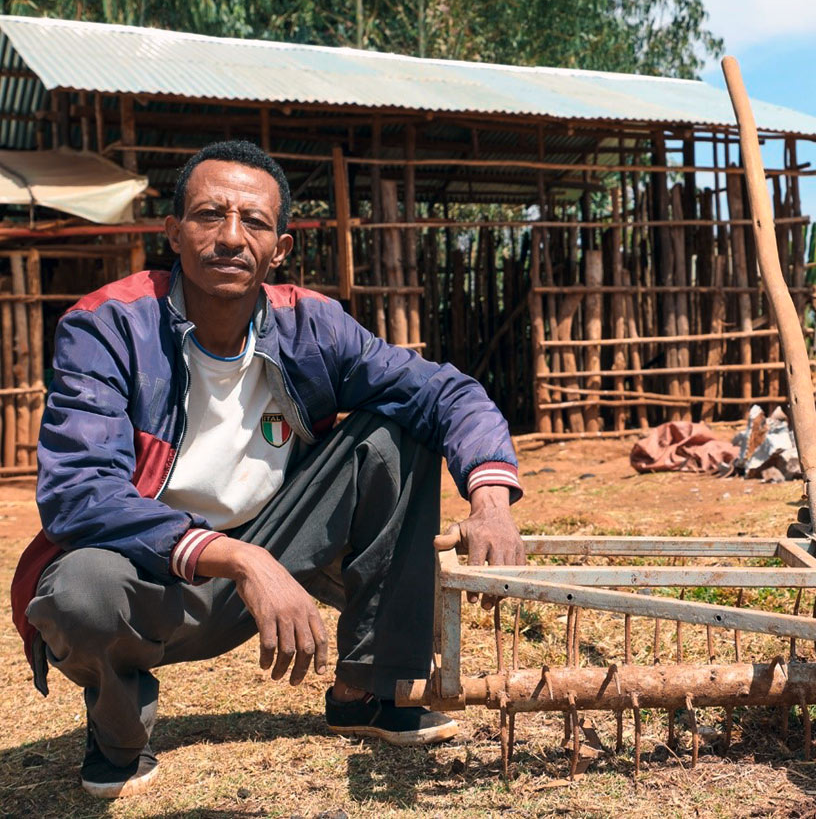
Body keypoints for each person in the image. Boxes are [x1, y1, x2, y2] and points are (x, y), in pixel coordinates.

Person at [9, 140, 527, 798]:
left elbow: (444, 393)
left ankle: (370, 688)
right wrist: (242, 560)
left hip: (278, 543)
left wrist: (491, 500)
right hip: (151, 574)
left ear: (279, 248)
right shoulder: (108, 327)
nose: (231, 236)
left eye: (253, 221)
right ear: (173, 232)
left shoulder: (312, 326)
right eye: (208, 215)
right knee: (81, 589)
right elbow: (80, 493)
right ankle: (118, 734)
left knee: (395, 434)